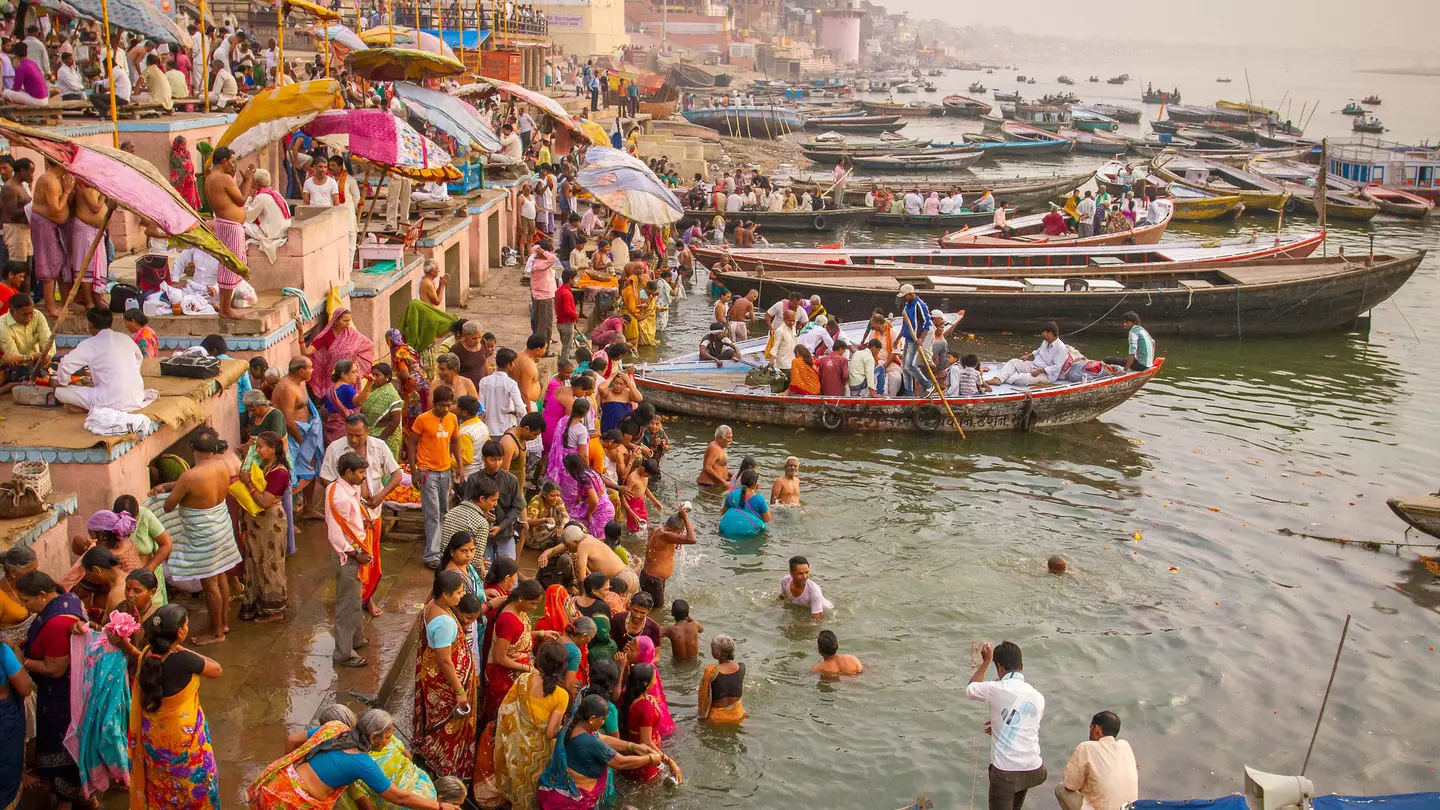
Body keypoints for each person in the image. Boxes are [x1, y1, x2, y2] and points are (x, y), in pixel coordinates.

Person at [249, 709, 461, 810]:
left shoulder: (335, 728)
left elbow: (291, 740)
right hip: (292, 804)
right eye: (387, 737)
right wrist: (440, 807)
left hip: (275, 785)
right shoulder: (363, 763)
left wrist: (291, 767)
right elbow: (400, 797)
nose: (389, 742)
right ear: (373, 737)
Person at [128, 603, 223, 808]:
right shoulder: (185, 660)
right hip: (183, 742)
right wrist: (181, 648)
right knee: (195, 788)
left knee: (163, 789)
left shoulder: (146, 655)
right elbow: (216, 670)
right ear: (180, 632)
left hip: (154, 740)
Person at [162, 429, 242, 645]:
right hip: (221, 525)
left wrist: (168, 491)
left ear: (193, 449)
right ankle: (223, 623)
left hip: (205, 534)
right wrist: (172, 486)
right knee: (221, 575)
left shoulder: (190, 476)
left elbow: (169, 506)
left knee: (210, 584)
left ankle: (217, 633)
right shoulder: (222, 465)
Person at [17, 571, 86, 806]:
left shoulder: (58, 622)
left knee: (64, 746)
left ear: (43, 595)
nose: (25, 607)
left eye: (26, 601)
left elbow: (54, 668)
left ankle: (66, 798)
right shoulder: (68, 598)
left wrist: (21, 661)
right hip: (71, 689)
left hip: (60, 695)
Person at [536, 693, 669, 810]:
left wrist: (634, 747)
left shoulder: (572, 725)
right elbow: (621, 762)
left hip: (560, 790)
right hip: (574, 802)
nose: (604, 722)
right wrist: (650, 759)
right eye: (602, 719)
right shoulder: (588, 742)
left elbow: (602, 738)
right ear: (592, 718)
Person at [968, 641, 1047, 810]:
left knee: (1005, 784)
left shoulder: (996, 688)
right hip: (1033, 769)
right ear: (1021, 666)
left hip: (1006, 774)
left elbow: (971, 688)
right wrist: (1000, 724)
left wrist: (985, 662)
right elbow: (1027, 724)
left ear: (999, 667)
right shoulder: (1038, 696)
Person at [416, 570, 479, 780]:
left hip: (439, 676)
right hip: (445, 682)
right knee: (448, 724)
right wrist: (460, 691)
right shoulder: (445, 622)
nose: (462, 597)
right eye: (459, 593)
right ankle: (446, 765)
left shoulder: (434, 605)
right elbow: (444, 660)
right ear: (445, 593)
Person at [494, 640, 571, 810]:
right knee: (533, 792)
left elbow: (506, 710)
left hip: (515, 747)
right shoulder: (562, 695)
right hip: (539, 754)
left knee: (518, 785)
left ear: (539, 661)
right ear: (563, 667)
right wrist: (567, 728)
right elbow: (551, 733)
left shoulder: (523, 679)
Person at [325, 451, 375, 667]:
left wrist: (363, 523)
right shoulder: (340, 497)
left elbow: (349, 523)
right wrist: (356, 553)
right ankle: (344, 653)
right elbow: (336, 534)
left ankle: (356, 639)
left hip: (355, 547)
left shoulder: (344, 488)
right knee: (348, 604)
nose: (364, 476)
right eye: (361, 472)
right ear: (349, 473)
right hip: (348, 555)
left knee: (355, 599)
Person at [236, 431, 291, 622]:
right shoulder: (264, 465)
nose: (257, 450)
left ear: (273, 449)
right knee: (255, 561)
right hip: (257, 524)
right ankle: (258, 603)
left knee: (271, 563)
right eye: (256, 446)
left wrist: (248, 483)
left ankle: (274, 610)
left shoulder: (280, 472)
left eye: (260, 447)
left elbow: (266, 501)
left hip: (270, 523)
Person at [407, 385, 461, 568]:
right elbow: (412, 444)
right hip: (427, 472)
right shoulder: (422, 420)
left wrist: (459, 466)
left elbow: (455, 442)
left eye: (448, 405)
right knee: (432, 514)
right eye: (442, 406)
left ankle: (442, 550)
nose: (445, 409)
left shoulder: (452, 419)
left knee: (444, 512)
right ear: (434, 404)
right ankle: (431, 556)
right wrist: (414, 471)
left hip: (445, 471)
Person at [481, 577, 545, 722]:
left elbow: (517, 639)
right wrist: (528, 668)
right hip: (503, 676)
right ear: (521, 598)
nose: (535, 608)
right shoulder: (509, 620)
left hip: (515, 671)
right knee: (502, 717)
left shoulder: (518, 610)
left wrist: (540, 633)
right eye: (533, 603)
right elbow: (499, 657)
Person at [202, 146, 253, 319]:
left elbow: (232, 197)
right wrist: (249, 180)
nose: (233, 164)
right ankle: (226, 309)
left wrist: (243, 180)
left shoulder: (211, 177)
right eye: (231, 160)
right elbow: (241, 200)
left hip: (225, 223)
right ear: (224, 161)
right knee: (231, 265)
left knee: (227, 265)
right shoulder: (223, 177)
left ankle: (225, 308)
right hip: (230, 225)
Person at [619, 663, 681, 784]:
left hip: (639, 753)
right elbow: (646, 741)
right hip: (647, 757)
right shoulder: (645, 707)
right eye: (654, 677)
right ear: (645, 684)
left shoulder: (633, 697)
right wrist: (670, 762)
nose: (656, 678)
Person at [30, 158, 77, 318]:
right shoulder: (49, 180)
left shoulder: (57, 179)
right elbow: (56, 210)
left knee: (59, 262)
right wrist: (67, 191)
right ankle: (50, 307)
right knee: (49, 263)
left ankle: (61, 302)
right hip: (45, 227)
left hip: (55, 227)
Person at [0, 601, 33, 810]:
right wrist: (17, 654)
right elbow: (25, 688)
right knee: (6, 779)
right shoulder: (3, 650)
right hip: (4, 721)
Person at [640, 507, 696, 608]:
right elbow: (692, 539)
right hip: (653, 580)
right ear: (676, 529)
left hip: (650, 577)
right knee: (657, 610)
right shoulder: (666, 535)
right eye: (681, 530)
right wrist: (685, 518)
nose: (681, 533)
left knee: (649, 608)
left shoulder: (659, 530)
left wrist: (681, 515)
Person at [986, 322, 1069, 387]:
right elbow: (1039, 351)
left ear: (1050, 333)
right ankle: (998, 379)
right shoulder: (1045, 342)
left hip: (1046, 375)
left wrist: (1039, 371)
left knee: (1022, 379)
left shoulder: (1061, 348)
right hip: (1034, 365)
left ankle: (1006, 377)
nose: (1042, 334)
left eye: (1044, 332)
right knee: (1013, 362)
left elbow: (1056, 367)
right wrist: (1029, 355)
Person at [697, 633, 746, 723]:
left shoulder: (711, 671)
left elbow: (704, 698)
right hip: (738, 715)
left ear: (717, 654)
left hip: (717, 719)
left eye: (712, 648)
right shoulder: (742, 667)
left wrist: (701, 718)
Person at [244, 167, 290, 262]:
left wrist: (249, 196)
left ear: (256, 183)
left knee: (238, 223)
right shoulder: (274, 192)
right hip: (282, 231)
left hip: (273, 234)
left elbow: (248, 217)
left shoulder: (261, 196)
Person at [479, 348, 528, 436]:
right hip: (507, 430)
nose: (514, 366)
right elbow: (521, 408)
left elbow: (481, 408)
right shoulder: (511, 384)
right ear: (508, 365)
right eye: (513, 363)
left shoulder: (484, 381)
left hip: (488, 430)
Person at [0, 293, 53, 369]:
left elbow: (47, 340)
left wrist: (47, 356)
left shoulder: (38, 315)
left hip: (37, 362)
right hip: (17, 367)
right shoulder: (2, 325)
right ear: (12, 312)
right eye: (24, 315)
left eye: (31, 313)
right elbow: (13, 356)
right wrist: (32, 357)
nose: (29, 318)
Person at [897, 283, 932, 396]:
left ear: (910, 294)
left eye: (905, 296)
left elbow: (927, 323)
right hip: (907, 338)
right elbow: (905, 325)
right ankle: (908, 392)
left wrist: (921, 338)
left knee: (909, 365)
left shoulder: (920, 305)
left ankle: (927, 384)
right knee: (904, 368)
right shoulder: (907, 306)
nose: (904, 298)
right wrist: (897, 339)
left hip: (915, 339)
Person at [719, 468, 769, 538]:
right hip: (748, 534)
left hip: (730, 530)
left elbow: (723, 512)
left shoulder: (731, 495)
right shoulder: (759, 499)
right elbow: (767, 519)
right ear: (755, 483)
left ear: (741, 481)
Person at [780, 555, 832, 620]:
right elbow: (782, 598)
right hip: (805, 608)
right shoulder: (785, 581)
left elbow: (818, 620)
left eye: (807, 572)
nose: (805, 576)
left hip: (826, 611)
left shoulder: (814, 591)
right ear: (791, 573)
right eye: (800, 573)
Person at [2, 41, 47, 105]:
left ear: (15, 54)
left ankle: (7, 113)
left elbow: (16, 88)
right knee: (19, 93)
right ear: (26, 53)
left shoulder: (20, 67)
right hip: (45, 98)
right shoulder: (33, 63)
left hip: (37, 100)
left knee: (5, 92)